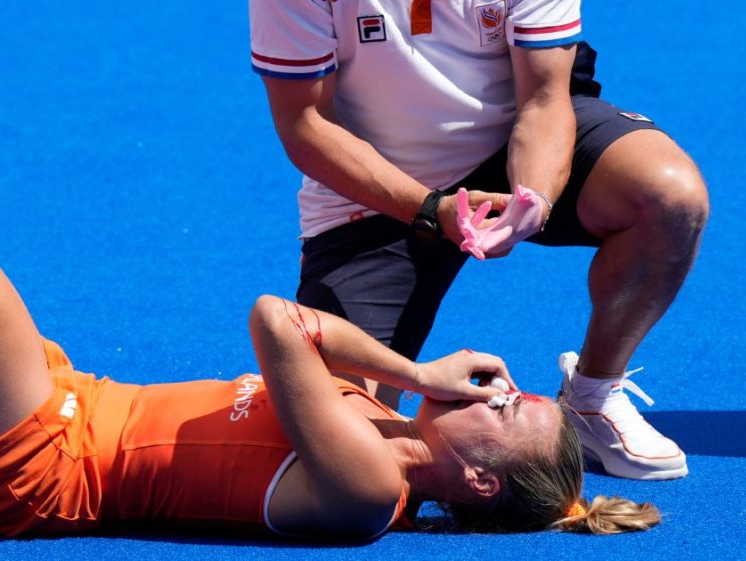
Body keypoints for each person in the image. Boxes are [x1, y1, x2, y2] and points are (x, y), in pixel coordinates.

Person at [0, 176, 658, 556]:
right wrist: (409, 381)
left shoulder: (370, 486)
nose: (491, 387)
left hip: (44, 466)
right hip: (67, 400)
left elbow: (279, 323)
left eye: (506, 404)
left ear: (480, 475)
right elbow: (320, 336)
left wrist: (418, 373)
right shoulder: (377, 422)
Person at [249, 0, 708, 480]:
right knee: (344, 447)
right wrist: (431, 209)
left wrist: (536, 198)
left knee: (669, 198)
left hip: (513, 140)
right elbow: (304, 123)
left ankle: (592, 397)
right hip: (377, 188)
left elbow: (545, 98)